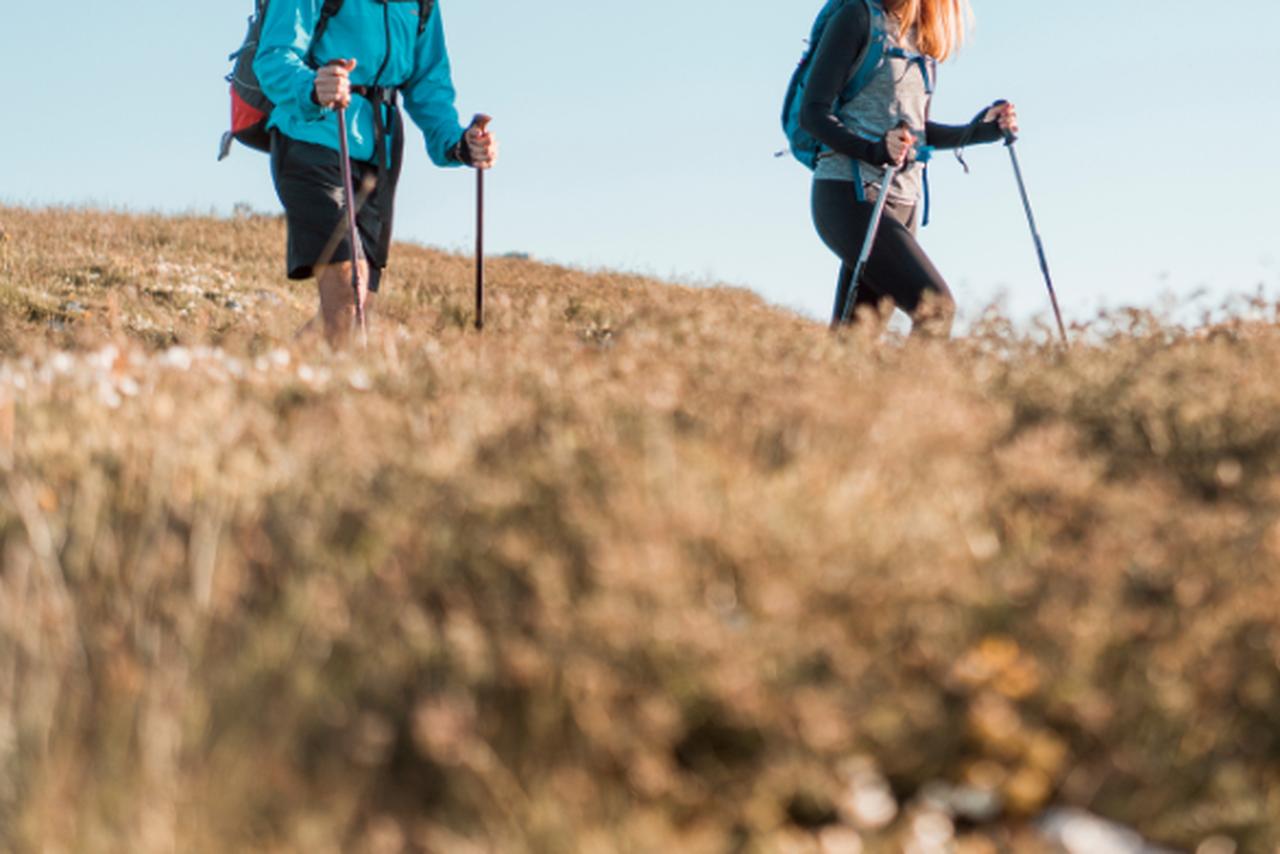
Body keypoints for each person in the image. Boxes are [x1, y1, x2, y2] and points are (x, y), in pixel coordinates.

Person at [254, 0, 498, 347]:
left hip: (380, 156)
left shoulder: (423, 4)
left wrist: (458, 143)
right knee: (349, 290)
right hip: (311, 140)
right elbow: (274, 58)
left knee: (356, 312)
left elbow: (429, 88)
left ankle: (270, 374)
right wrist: (312, 86)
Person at [800, 0, 1015, 337]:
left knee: (855, 341)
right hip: (849, 194)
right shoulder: (857, 17)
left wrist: (976, 132)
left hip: (905, 201)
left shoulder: (922, 42)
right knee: (936, 308)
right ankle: (918, 379)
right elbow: (812, 113)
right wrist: (873, 150)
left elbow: (917, 130)